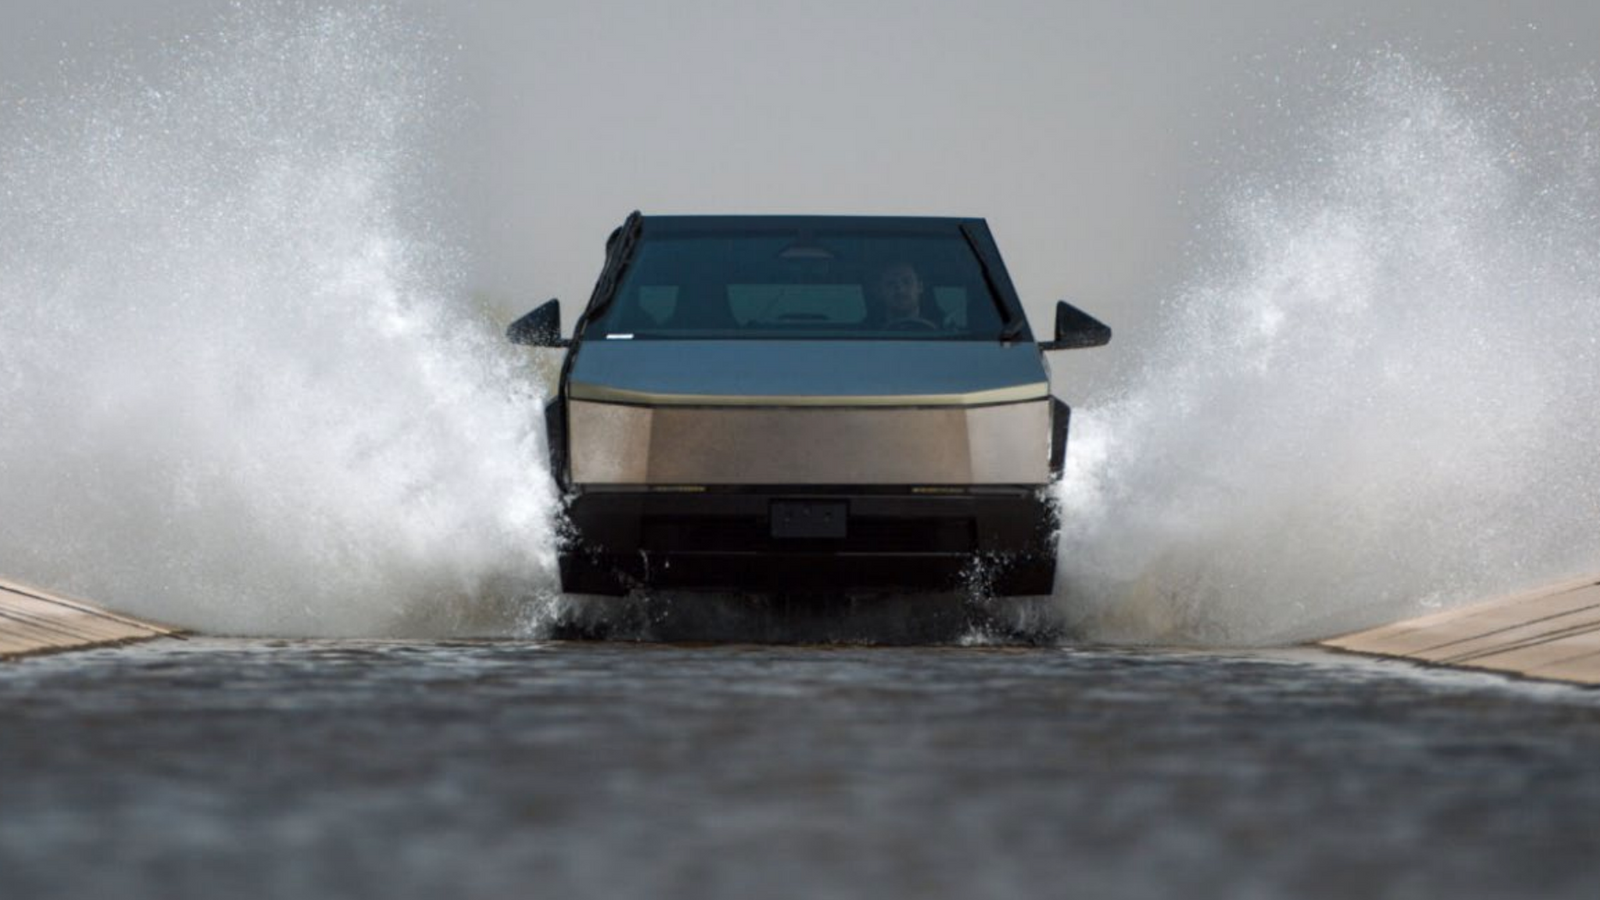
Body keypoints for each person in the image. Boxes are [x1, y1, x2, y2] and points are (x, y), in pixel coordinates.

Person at [870, 263, 941, 329]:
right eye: (891, 284)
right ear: (880, 292)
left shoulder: (944, 329)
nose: (900, 290)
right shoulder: (866, 332)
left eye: (907, 282)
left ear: (920, 287)